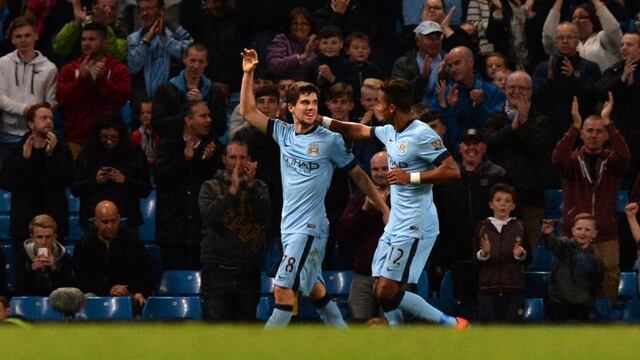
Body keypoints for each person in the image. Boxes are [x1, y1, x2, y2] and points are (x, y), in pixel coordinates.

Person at [240, 49, 389, 328]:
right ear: (291, 108)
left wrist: (383, 208)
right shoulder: (283, 133)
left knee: (283, 289)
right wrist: (248, 72)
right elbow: (247, 110)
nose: (311, 107)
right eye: (305, 103)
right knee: (314, 289)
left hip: (310, 227)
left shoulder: (331, 141)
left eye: (314, 102)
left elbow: (358, 175)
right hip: (289, 226)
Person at [321, 78, 466, 328]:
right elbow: (356, 130)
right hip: (397, 223)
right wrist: (320, 120)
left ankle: (452, 324)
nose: (376, 106)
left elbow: (453, 171)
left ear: (391, 108)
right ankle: (400, 340)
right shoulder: (389, 131)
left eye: (380, 102)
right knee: (381, 289)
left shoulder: (421, 134)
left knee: (387, 289)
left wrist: (411, 177)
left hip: (416, 224)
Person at [551, 93, 629, 301]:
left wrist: (609, 122)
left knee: (608, 288)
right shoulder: (572, 162)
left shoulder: (612, 163)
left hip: (606, 236)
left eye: (599, 131)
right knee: (572, 290)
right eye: (589, 131)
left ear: (606, 136)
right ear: (582, 134)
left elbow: (624, 155)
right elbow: (556, 158)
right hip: (573, 237)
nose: (594, 135)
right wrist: (574, 127)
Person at [199, 140, 271, 322]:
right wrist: (232, 191)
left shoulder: (260, 187)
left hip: (248, 271)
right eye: (233, 157)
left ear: (250, 161)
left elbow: (266, 217)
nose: (238, 163)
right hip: (216, 271)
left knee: (246, 333)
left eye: (242, 158)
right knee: (215, 334)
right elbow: (209, 218)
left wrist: (252, 187)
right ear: (224, 159)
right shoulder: (209, 187)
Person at [482, 71, 553, 248]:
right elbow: (490, 143)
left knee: (525, 250)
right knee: (497, 248)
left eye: (522, 88)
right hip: (499, 198)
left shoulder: (541, 120)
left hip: (530, 197)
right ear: (505, 89)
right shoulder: (494, 117)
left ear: (530, 91)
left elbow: (537, 149)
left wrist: (525, 121)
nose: (516, 91)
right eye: (512, 87)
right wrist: (514, 126)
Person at [154, 101, 220, 270]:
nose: (209, 120)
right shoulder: (168, 146)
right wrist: (185, 160)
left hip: (203, 233)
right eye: (203, 116)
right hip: (173, 232)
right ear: (188, 120)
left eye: (209, 116)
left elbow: (217, 186)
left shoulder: (215, 149)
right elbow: (161, 178)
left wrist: (205, 162)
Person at [0, 103, 73, 250]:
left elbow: (67, 180)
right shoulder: (17, 151)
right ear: (31, 124)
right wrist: (24, 160)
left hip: (54, 224)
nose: (49, 122)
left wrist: (51, 155)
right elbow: (6, 182)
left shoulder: (62, 151)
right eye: (44, 118)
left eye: (51, 119)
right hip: (24, 225)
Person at [56, 22, 132, 159]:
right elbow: (62, 100)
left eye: (92, 39)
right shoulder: (70, 69)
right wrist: (81, 80)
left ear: (104, 42)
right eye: (83, 39)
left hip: (109, 142)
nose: (86, 43)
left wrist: (102, 81)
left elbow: (122, 98)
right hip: (76, 140)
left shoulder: (118, 69)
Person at [71, 113, 151, 231]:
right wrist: (94, 181)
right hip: (93, 219)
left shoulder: (134, 153)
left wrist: (125, 180)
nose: (109, 141)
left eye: (113, 137)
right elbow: (75, 188)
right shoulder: (87, 153)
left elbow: (145, 190)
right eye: (105, 137)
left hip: (126, 219)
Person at [338, 150, 390, 322]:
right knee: (358, 325)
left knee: (394, 327)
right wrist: (364, 211)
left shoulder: (404, 197)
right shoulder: (359, 198)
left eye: (385, 168)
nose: (380, 173)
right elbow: (345, 232)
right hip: (364, 273)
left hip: (394, 275)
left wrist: (385, 208)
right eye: (376, 170)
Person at [0, 16, 57, 163]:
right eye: (18, 36)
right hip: (6, 134)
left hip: (36, 135)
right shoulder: (3, 63)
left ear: (36, 36)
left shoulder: (49, 68)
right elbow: (0, 98)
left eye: (27, 35)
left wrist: (36, 117)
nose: (23, 40)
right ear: (12, 39)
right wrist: (26, 109)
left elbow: (51, 103)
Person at [127, 0, 192, 128]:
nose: (145, 13)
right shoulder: (134, 38)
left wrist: (165, 39)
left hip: (171, 103)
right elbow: (133, 67)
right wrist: (147, 40)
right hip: (143, 105)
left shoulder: (177, 33)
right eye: (142, 9)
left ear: (161, 10)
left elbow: (189, 54)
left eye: (150, 8)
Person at [73, 200, 152, 306]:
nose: (110, 226)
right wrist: (109, 290)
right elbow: (81, 280)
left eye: (113, 221)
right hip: (97, 296)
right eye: (105, 222)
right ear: (96, 221)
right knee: (88, 298)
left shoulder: (133, 241)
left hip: (128, 294)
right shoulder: (84, 244)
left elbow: (145, 272)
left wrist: (139, 292)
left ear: (119, 219)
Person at [533, 21, 601, 143]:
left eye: (569, 37)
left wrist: (573, 78)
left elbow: (592, 99)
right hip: (549, 129)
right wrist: (550, 80)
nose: (565, 41)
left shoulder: (591, 67)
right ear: (555, 41)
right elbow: (536, 101)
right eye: (560, 38)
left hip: (580, 128)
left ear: (577, 40)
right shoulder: (543, 68)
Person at [474, 183, 529, 323]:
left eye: (507, 201)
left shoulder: (520, 227)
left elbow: (529, 258)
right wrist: (484, 254)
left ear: (513, 206)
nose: (502, 204)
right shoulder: (482, 227)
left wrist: (520, 254)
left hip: (514, 288)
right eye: (498, 200)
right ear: (491, 204)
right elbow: (474, 257)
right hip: (487, 288)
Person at [152, 43, 227, 140]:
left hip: (205, 146)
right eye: (192, 60)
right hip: (172, 145)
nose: (196, 66)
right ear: (184, 59)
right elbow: (158, 123)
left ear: (206, 63)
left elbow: (221, 127)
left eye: (200, 62)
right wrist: (189, 110)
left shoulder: (215, 92)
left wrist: (202, 105)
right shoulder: (165, 90)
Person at [435, 46, 506, 147]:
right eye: (450, 66)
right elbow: (444, 133)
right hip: (456, 151)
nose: (453, 69)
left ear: (470, 62)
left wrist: (480, 106)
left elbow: (494, 130)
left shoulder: (493, 91)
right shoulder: (444, 92)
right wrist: (449, 108)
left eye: (457, 63)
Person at [595, 32, 640, 186]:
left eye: (629, 44)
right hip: (618, 132)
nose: (624, 48)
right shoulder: (614, 70)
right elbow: (601, 91)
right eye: (622, 45)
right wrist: (622, 79)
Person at [542, 214, 604, 322]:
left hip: (581, 306)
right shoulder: (564, 246)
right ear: (573, 231)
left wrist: (589, 300)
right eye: (579, 229)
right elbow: (553, 244)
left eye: (587, 230)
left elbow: (596, 283)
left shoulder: (596, 259)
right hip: (559, 303)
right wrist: (547, 235)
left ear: (594, 234)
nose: (582, 233)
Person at [542, 0, 622, 72]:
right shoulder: (567, 43)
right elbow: (549, 37)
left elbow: (613, 29)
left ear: (593, 20)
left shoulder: (602, 38)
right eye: (574, 18)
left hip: (603, 85)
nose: (577, 21)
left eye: (582, 17)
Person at [52, 0, 128, 63]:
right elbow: (59, 48)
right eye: (104, 7)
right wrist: (76, 23)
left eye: (113, 8)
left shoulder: (121, 29)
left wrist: (104, 27)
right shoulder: (82, 22)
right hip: (76, 70)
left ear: (118, 10)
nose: (109, 11)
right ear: (94, 7)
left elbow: (118, 56)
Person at [392, 20, 446, 107]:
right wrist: (422, 78)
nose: (435, 42)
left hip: (442, 112)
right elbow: (398, 94)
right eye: (430, 38)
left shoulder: (449, 60)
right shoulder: (403, 63)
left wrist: (445, 75)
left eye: (437, 38)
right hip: (414, 112)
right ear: (417, 41)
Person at [15, 214, 72, 296]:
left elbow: (67, 291)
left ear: (55, 237)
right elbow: (19, 288)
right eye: (39, 237)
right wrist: (32, 269)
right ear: (32, 238)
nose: (44, 242)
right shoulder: (23, 254)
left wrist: (54, 269)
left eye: (48, 237)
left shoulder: (64, 256)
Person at [266, 7, 318, 81]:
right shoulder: (282, 39)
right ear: (290, 26)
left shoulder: (317, 41)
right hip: (286, 87)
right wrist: (300, 58)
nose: (299, 27)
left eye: (304, 23)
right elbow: (274, 65)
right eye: (295, 23)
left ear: (310, 26)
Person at [130, 100, 160, 166]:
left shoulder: (159, 134)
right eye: (142, 113)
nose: (145, 115)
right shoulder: (136, 135)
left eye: (149, 112)